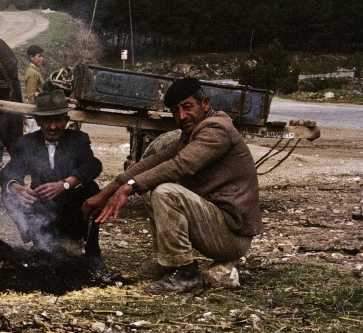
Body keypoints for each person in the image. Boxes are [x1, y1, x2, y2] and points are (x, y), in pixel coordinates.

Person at [82, 77, 262, 294]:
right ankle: (168, 263)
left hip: (233, 236)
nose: (181, 116)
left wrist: (128, 188)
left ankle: (185, 273)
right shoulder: (193, 132)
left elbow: (181, 165)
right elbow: (155, 161)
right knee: (150, 187)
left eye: (187, 107)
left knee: (165, 192)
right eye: (175, 111)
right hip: (218, 225)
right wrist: (108, 191)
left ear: (205, 103)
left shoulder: (216, 129)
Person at [0, 90, 104, 268]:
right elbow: (8, 172)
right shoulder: (27, 142)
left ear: (66, 121)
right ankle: (38, 241)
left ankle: (92, 250)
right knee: (8, 193)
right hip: (42, 206)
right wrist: (18, 188)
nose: (53, 126)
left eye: (58, 120)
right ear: (38, 121)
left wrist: (64, 184)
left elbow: (93, 165)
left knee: (92, 190)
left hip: (71, 208)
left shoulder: (79, 139)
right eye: (47, 120)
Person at [24, 45, 45, 133]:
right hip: (34, 109)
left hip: (36, 108)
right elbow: (30, 95)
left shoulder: (34, 70)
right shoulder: (33, 73)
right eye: (39, 56)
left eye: (42, 56)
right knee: (34, 133)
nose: (42, 58)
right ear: (31, 57)